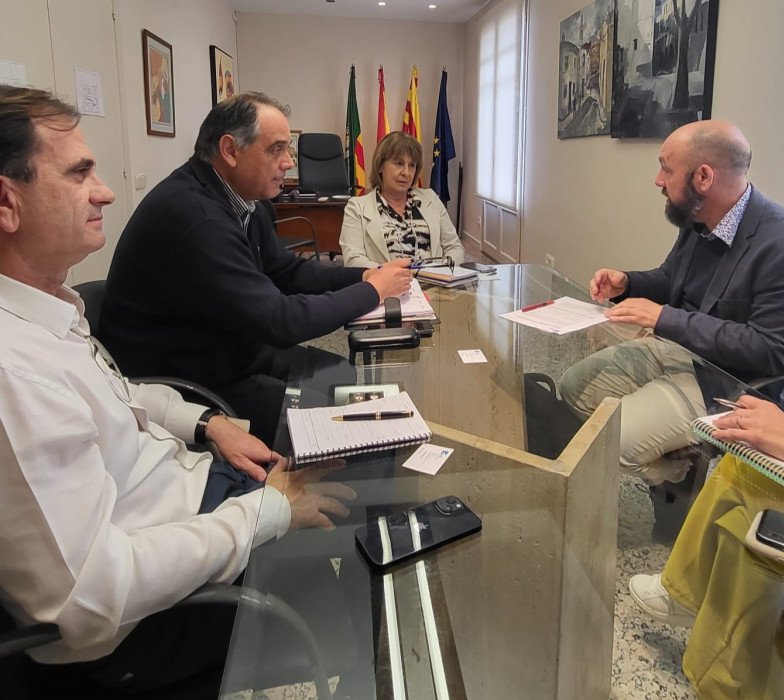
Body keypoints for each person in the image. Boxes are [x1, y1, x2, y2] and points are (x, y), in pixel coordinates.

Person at [0, 85, 355, 694]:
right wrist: (265, 513)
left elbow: (120, 395)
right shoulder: (14, 370)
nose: (105, 190)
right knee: (359, 589)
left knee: (354, 500)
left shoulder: (50, 306)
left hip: (192, 491)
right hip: (149, 622)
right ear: (7, 204)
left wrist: (205, 425)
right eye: (80, 172)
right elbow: (92, 598)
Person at [629, 145, 784, 698]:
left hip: (729, 386)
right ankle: (697, 622)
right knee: (749, 474)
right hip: (698, 367)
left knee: (754, 520)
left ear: (703, 175)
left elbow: (778, 358)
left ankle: (692, 612)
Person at [100, 93, 412, 445]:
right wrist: (373, 291)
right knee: (340, 421)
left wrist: (362, 275)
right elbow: (280, 321)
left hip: (231, 350)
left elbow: (288, 272)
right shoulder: (195, 217)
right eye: (276, 150)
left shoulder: (247, 202)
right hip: (187, 382)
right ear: (231, 150)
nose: (289, 163)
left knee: (341, 375)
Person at [558, 119, 784, 479]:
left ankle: (672, 480)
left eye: (666, 170)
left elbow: (774, 351)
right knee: (573, 387)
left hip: (726, 381)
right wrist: (628, 283)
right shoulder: (701, 218)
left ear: (703, 177)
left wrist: (665, 319)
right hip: (678, 349)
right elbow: (673, 279)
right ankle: (676, 472)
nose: (658, 180)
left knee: (613, 442)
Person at [339, 131, 465, 268]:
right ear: (380, 166)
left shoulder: (431, 198)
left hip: (435, 283)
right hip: (386, 286)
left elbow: (455, 247)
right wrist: (393, 276)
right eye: (398, 163)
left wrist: (442, 272)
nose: (406, 172)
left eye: (412, 165)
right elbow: (353, 259)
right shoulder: (357, 208)